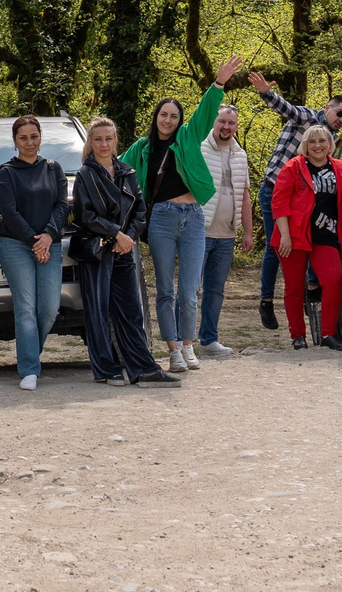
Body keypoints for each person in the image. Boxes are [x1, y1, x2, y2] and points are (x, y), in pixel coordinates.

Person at [139, 59, 244, 370]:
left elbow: (205, 112)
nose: (168, 120)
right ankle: (172, 350)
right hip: (161, 218)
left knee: (188, 290)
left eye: (174, 116)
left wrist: (219, 83)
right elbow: (117, 167)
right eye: (163, 114)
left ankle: (188, 345)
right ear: (156, 117)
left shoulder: (188, 136)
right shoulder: (143, 147)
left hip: (194, 217)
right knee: (165, 290)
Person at [66, 118, 175, 387]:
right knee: (99, 311)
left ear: (116, 141)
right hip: (97, 251)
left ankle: (143, 368)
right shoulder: (85, 175)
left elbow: (140, 210)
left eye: (108, 139)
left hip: (124, 249)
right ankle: (107, 368)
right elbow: (85, 216)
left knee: (131, 311)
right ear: (90, 143)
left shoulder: (127, 172)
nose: (104, 144)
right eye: (98, 139)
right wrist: (117, 233)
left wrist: (127, 238)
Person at [245, 71, 342, 331]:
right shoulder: (307, 117)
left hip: (305, 200)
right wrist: (266, 92)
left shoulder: (330, 140)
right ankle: (266, 300)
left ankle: (312, 287)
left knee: (314, 238)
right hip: (275, 190)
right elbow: (286, 108)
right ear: (327, 107)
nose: (341, 120)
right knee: (276, 246)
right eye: (339, 113)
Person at [0, 115, 68, 386]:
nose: (29, 142)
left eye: (33, 136)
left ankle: (30, 354)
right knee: (26, 307)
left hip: (50, 244)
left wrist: (47, 236)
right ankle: (29, 370)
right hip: (16, 245)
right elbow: (9, 212)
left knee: (49, 309)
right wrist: (34, 241)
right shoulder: (7, 172)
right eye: (23, 138)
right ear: (15, 141)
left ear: (40, 137)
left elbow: (62, 205)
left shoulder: (53, 168)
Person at [270, 124, 342, 350]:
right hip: (293, 236)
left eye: (322, 141)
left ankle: (328, 334)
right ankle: (298, 336)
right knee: (294, 287)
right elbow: (279, 203)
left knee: (333, 280)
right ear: (305, 145)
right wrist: (285, 236)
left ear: (330, 144)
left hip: (326, 235)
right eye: (312, 142)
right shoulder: (293, 167)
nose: (317, 146)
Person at [197, 103, 254, 359]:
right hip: (199, 232)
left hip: (227, 236)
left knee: (216, 290)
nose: (226, 127)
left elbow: (245, 195)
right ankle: (180, 341)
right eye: (222, 121)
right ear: (213, 122)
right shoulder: (199, 148)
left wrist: (247, 232)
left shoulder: (240, 155)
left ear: (236, 126)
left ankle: (208, 340)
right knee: (190, 290)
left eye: (231, 123)